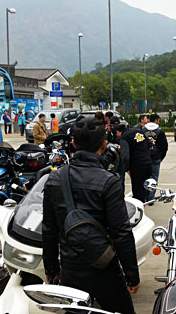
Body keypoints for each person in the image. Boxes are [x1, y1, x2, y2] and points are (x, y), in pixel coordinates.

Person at [42, 118, 140, 313]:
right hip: (105, 266)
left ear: (73, 144)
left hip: (70, 267)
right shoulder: (109, 181)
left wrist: (52, 269)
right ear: (104, 145)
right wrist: (132, 275)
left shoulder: (55, 179)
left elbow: (49, 229)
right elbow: (121, 232)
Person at [122, 123, 152, 202]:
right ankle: (146, 200)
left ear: (118, 132)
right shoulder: (139, 131)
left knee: (137, 189)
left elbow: (125, 156)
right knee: (145, 186)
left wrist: (127, 168)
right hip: (147, 163)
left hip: (136, 166)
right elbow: (150, 143)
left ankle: (140, 207)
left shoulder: (124, 137)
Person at [144, 113, 168, 200]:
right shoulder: (160, 131)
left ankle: (145, 196)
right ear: (156, 120)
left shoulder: (142, 130)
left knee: (145, 177)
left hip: (145, 157)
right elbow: (164, 146)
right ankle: (151, 197)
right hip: (156, 157)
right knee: (154, 178)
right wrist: (160, 157)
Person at [115, 124, 130, 194]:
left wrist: (127, 168)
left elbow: (125, 155)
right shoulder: (130, 134)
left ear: (119, 131)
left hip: (122, 162)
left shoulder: (123, 138)